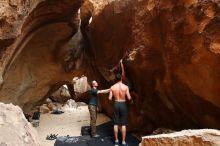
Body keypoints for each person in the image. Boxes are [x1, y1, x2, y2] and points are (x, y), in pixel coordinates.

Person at [109, 74, 133, 146]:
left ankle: (116, 141)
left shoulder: (112, 87)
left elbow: (110, 98)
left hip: (116, 104)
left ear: (115, 79)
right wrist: (132, 101)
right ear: (121, 79)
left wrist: (114, 99)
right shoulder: (125, 87)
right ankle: (123, 142)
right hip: (123, 104)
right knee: (123, 124)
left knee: (115, 124)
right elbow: (129, 97)